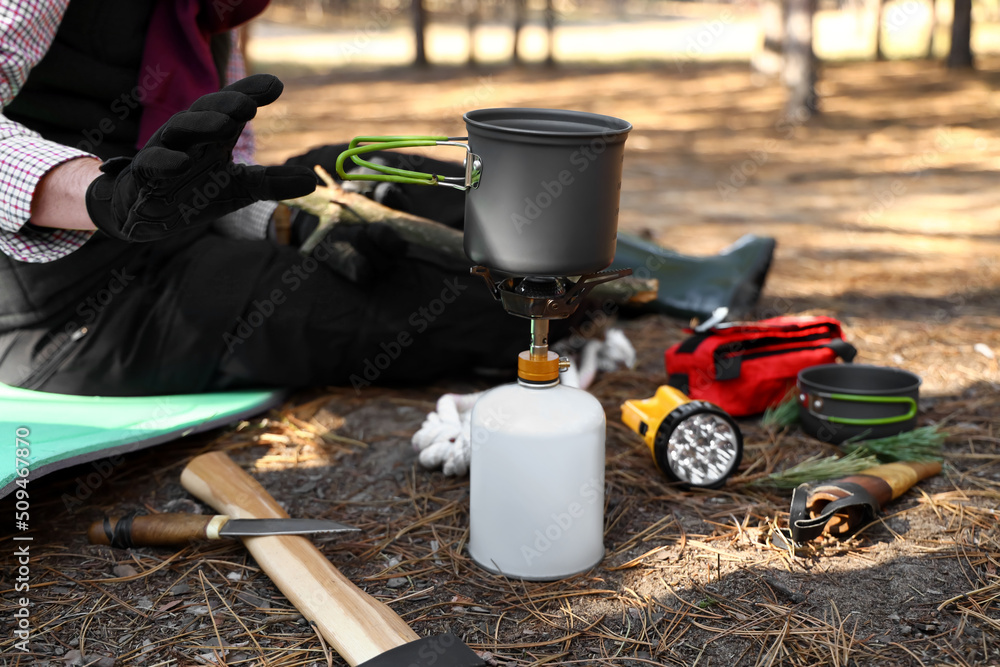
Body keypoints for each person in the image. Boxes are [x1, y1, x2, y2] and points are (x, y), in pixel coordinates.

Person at [0, 0, 526, 396]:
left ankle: (581, 261)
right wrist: (102, 194)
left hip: (175, 245)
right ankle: (560, 309)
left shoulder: (206, 18)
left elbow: (204, 187)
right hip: (73, 313)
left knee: (392, 174)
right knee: (471, 309)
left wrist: (289, 224)